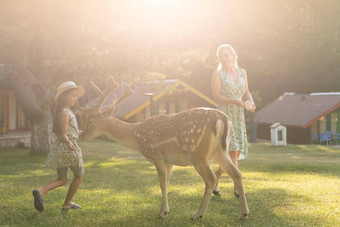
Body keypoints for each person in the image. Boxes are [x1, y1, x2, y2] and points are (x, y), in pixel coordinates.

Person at [32, 81, 85, 211]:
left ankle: (42, 191)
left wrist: (84, 132)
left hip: (62, 149)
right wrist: (69, 143)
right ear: (64, 97)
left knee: (62, 178)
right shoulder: (65, 113)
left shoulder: (65, 112)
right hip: (68, 148)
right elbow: (63, 134)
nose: (75, 98)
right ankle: (67, 203)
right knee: (79, 175)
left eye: (75, 96)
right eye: (72, 95)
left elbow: (70, 131)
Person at [211, 44, 256, 196]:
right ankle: (238, 186)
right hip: (225, 116)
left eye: (226, 55)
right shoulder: (218, 74)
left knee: (233, 154)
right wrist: (235, 102)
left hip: (239, 116)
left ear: (233, 56)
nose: (224, 59)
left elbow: (247, 93)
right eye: (221, 57)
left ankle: (214, 180)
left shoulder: (242, 72)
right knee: (232, 151)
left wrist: (251, 101)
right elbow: (216, 96)